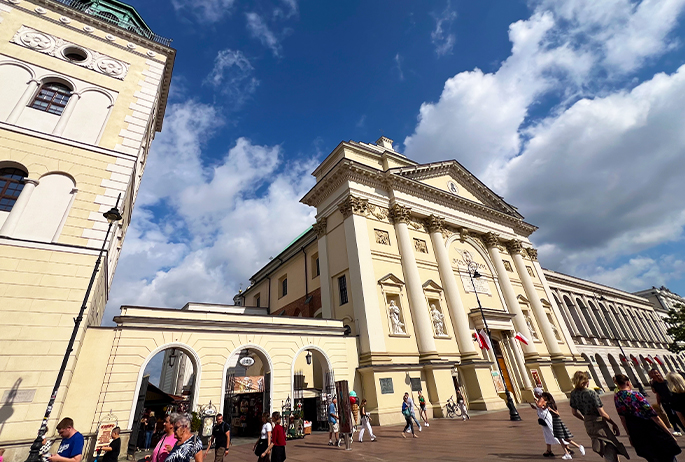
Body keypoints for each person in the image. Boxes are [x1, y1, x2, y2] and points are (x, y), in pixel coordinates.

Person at [614, 373, 681, 462]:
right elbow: (654, 416)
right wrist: (669, 433)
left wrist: (629, 435)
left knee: (651, 457)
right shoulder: (636, 395)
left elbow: (622, 418)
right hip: (650, 428)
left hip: (635, 430)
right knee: (668, 455)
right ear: (628, 383)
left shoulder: (617, 397)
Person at [570, 371, 628, 462]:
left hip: (588, 424)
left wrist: (584, 419)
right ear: (586, 381)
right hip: (598, 423)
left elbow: (574, 412)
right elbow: (602, 413)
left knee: (606, 447)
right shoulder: (591, 393)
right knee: (609, 447)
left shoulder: (573, 394)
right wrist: (613, 424)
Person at [544, 392, 586, 459]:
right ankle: (567, 453)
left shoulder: (551, 404)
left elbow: (557, 413)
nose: (543, 398)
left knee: (563, 438)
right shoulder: (548, 404)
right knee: (561, 438)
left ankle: (579, 446)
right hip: (554, 421)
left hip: (557, 421)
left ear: (546, 397)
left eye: (544, 397)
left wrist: (551, 409)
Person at [651, 369, 684, 437]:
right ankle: (676, 429)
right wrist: (658, 404)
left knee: (677, 415)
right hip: (665, 402)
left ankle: (682, 428)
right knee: (670, 416)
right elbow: (657, 394)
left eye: (656, 372)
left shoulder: (666, 381)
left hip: (672, 400)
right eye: (653, 373)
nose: (656, 374)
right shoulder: (654, 384)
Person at [529, 389, 560, 458]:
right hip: (544, 418)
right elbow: (541, 408)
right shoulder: (541, 399)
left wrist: (536, 402)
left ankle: (566, 446)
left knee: (553, 432)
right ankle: (548, 450)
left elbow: (540, 405)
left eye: (535, 393)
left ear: (538, 393)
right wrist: (534, 407)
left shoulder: (542, 398)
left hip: (546, 419)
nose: (534, 394)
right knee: (547, 434)